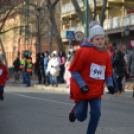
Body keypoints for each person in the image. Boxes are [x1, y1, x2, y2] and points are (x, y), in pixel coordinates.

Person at [68, 21, 114, 134]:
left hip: (96, 90)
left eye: (102, 38)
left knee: (96, 113)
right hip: (82, 88)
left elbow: (107, 72)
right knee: (81, 117)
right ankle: (75, 110)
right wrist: (82, 85)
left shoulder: (105, 54)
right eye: (97, 39)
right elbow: (73, 70)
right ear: (91, 40)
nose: (100, 41)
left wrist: (110, 85)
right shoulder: (83, 52)